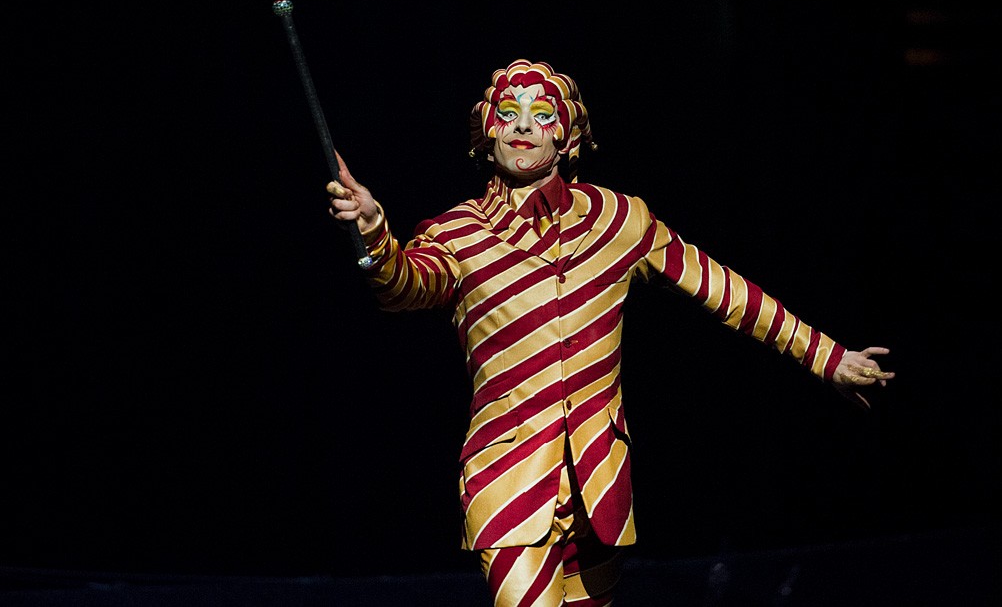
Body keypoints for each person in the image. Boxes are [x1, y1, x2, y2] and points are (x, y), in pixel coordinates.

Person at [326, 59, 894, 606]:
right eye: (508, 112)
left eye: (542, 114)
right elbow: (404, 285)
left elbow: (724, 291)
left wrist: (827, 357)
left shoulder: (620, 219)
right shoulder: (457, 233)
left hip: (598, 479)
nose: (523, 126)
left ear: (567, 138)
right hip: (508, 477)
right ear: (486, 132)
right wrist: (375, 233)